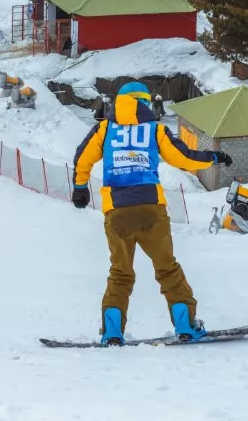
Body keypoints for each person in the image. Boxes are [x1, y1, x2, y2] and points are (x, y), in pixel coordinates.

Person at [71, 82, 232, 346]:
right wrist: (214, 157)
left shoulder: (104, 129)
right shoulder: (155, 130)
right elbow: (183, 158)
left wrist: (80, 188)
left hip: (117, 210)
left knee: (120, 272)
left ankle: (112, 332)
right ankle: (186, 325)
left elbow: (82, 158)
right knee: (167, 268)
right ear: (145, 103)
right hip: (151, 208)